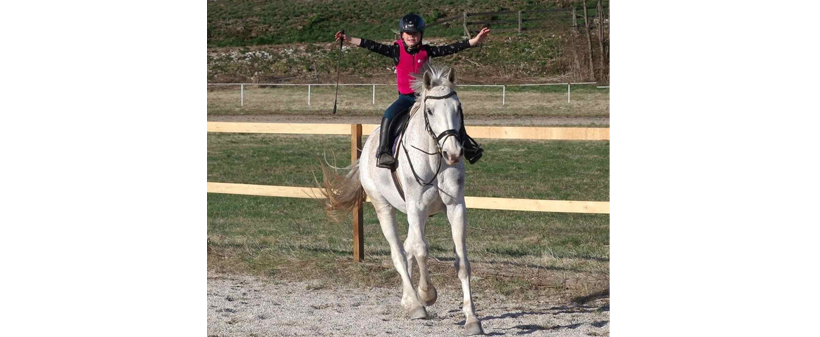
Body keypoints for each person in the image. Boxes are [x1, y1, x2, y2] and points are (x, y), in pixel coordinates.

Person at [335, 13, 490, 168]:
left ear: (421, 35)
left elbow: (451, 48)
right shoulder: (396, 50)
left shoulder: (427, 51)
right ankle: (384, 151)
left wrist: (474, 41)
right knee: (388, 114)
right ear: (402, 35)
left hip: (425, 97)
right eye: (408, 33)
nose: (412, 36)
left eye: (415, 33)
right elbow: (371, 45)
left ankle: (468, 147)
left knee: (452, 112)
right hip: (406, 98)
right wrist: (348, 39)